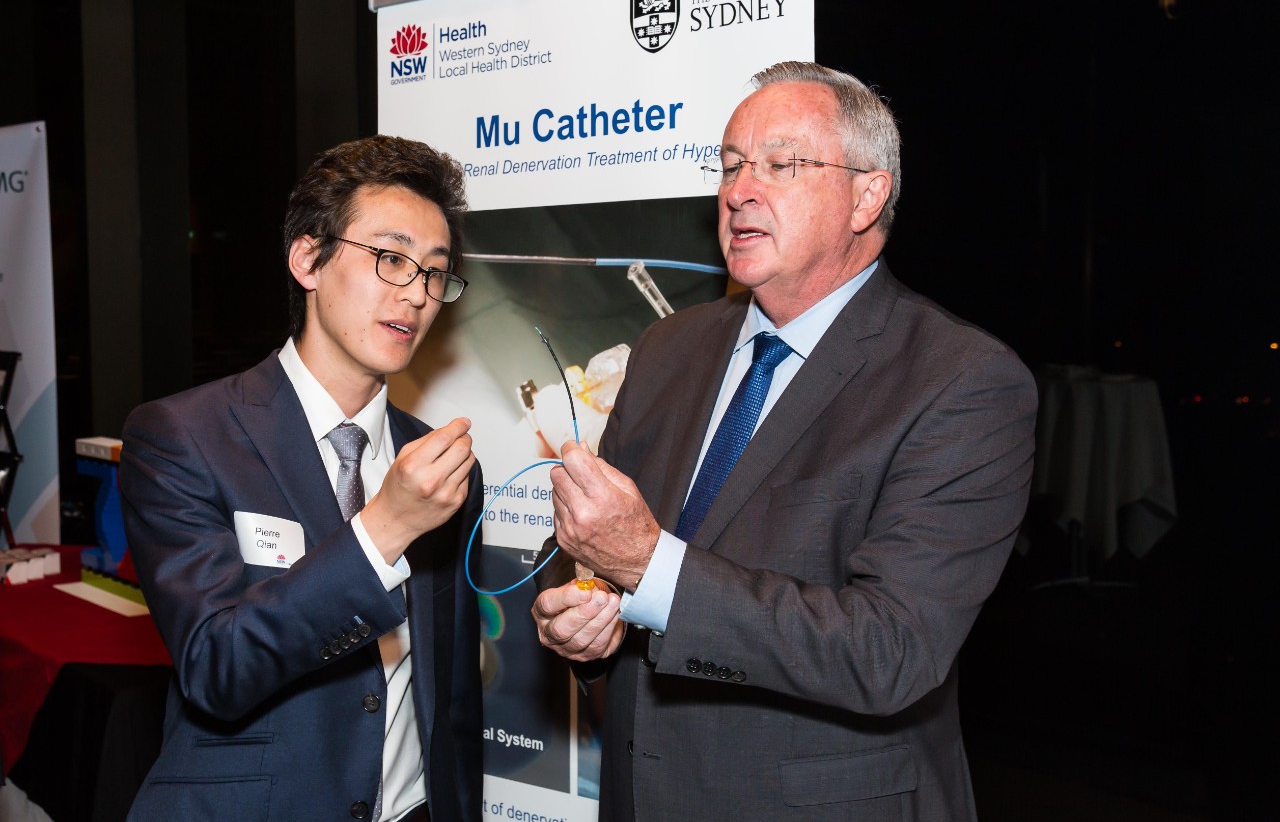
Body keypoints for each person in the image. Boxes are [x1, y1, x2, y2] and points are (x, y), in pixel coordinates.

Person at [531, 61, 1037, 820]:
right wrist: (579, 598)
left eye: (781, 163)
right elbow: (593, 539)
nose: (740, 189)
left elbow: (892, 648)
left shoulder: (962, 381)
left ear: (868, 194)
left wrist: (647, 565)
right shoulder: (670, 347)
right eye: (732, 164)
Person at [120, 135, 483, 822]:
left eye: (435, 272)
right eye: (390, 258)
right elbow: (216, 668)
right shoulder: (184, 437)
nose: (416, 294)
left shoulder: (438, 465)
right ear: (308, 257)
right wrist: (383, 529)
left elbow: (451, 696)